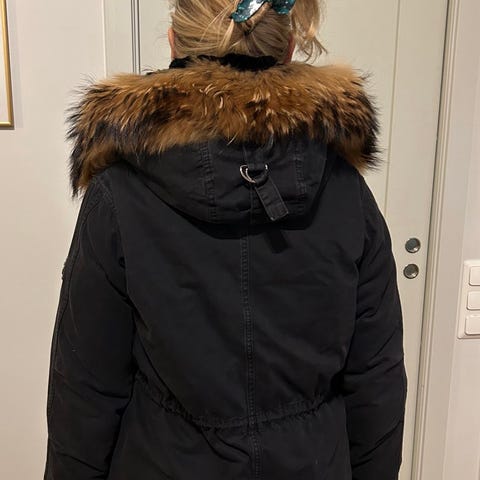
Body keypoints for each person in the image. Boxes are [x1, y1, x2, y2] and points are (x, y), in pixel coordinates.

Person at [44, 0, 407, 479]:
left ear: (174, 42)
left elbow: (85, 387)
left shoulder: (118, 195)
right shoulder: (345, 191)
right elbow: (377, 378)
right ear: (289, 48)